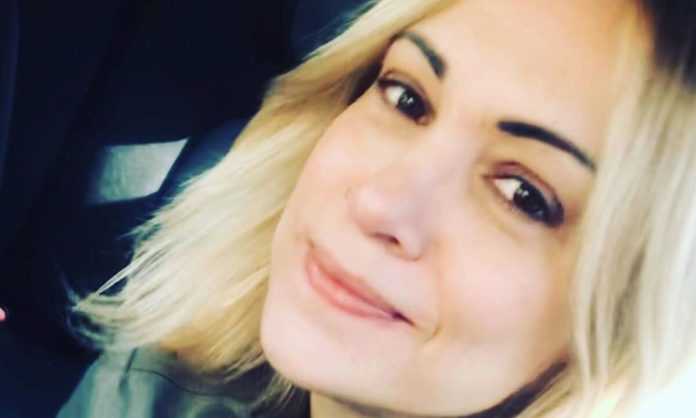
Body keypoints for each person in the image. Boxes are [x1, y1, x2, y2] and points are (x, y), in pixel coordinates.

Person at [58, 0, 696, 417]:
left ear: (630, 320)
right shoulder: (160, 388)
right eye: (406, 98)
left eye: (523, 195)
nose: (377, 201)